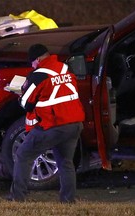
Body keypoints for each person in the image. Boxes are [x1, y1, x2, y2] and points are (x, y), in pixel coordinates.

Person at [8, 44, 85, 203]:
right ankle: (68, 200)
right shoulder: (65, 68)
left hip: (52, 125)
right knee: (65, 162)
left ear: (37, 59)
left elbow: (26, 104)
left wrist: (19, 93)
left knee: (23, 155)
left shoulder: (38, 75)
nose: (32, 66)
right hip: (74, 124)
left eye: (32, 62)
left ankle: (17, 198)